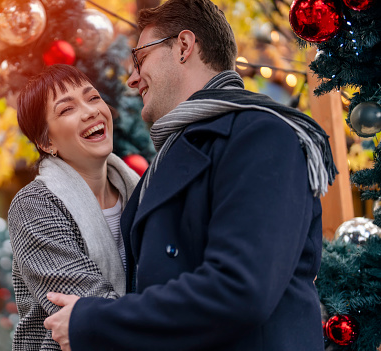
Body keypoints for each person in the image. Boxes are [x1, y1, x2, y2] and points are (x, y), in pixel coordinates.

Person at [43, 0, 338, 350]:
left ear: (183, 46)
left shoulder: (262, 134)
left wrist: (93, 321)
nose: (133, 78)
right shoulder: (174, 156)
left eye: (140, 59)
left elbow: (239, 289)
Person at [7, 64, 140, 350]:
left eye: (93, 98)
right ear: (46, 141)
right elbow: (89, 308)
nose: (91, 111)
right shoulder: (35, 206)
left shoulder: (143, 191)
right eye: (66, 109)